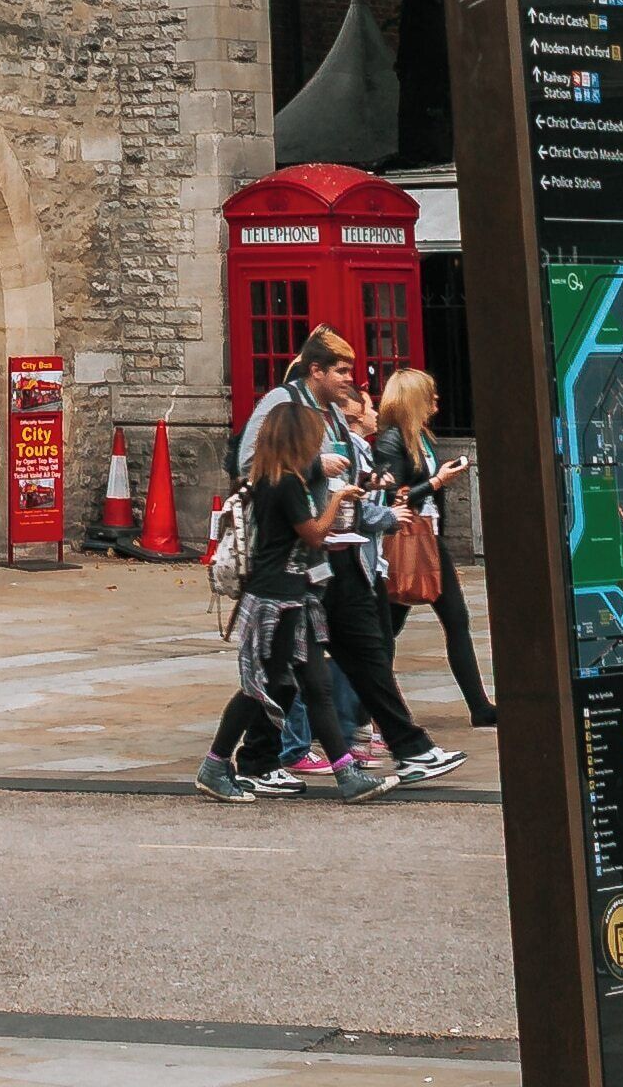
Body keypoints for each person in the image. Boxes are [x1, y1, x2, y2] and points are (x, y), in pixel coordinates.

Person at [237, 327, 462, 786]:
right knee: (291, 669)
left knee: (357, 655)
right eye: (341, 370)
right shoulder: (280, 404)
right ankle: (254, 761)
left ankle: (404, 749)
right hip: (300, 558)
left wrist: (377, 499)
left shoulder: (336, 416)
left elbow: (349, 482)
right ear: (315, 370)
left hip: (343, 554)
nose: (350, 380)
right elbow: (250, 465)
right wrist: (316, 466)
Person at [198, 396, 395, 802]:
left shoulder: (278, 479)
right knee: (261, 688)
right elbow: (314, 534)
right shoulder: (285, 482)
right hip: (277, 600)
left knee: (312, 686)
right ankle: (215, 765)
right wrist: (340, 500)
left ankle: (347, 776)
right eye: (313, 437)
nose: (318, 444)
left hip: (294, 595)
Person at [374, 365, 498, 728]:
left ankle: (479, 706)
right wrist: (437, 481)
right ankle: (365, 708)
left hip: (428, 537)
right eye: (430, 394)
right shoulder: (391, 441)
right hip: (404, 540)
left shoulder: (421, 437)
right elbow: (391, 496)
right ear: (413, 399)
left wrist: (438, 476)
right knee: (385, 632)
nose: (437, 400)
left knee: (456, 619)